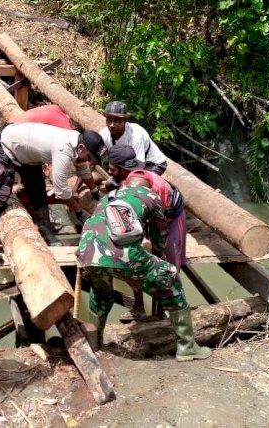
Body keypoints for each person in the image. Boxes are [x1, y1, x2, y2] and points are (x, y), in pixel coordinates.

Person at [76, 180, 211, 361]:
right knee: (171, 279)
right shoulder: (150, 196)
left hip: (87, 253)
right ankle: (187, 347)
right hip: (121, 255)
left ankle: (95, 342)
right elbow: (159, 235)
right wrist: (157, 261)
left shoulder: (107, 198)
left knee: (101, 294)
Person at [0, 123, 105, 263]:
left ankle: (47, 234)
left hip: (28, 154)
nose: (89, 161)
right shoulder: (63, 149)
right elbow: (61, 190)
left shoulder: (77, 142)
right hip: (6, 146)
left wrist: (94, 191)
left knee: (38, 192)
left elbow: (82, 169)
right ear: (82, 147)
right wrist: (80, 213)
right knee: (0, 195)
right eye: (89, 157)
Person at [106, 145, 188, 322]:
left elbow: (159, 226)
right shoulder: (126, 182)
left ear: (122, 169)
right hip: (149, 214)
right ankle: (139, 308)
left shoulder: (137, 186)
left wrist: (159, 250)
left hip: (170, 215)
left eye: (112, 169)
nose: (108, 172)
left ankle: (168, 311)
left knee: (168, 263)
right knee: (136, 257)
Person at [99, 100, 168, 174]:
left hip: (152, 164)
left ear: (125, 120)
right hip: (127, 164)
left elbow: (138, 165)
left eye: (117, 121)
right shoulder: (104, 133)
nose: (112, 125)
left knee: (135, 180)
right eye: (109, 120)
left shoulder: (136, 135)